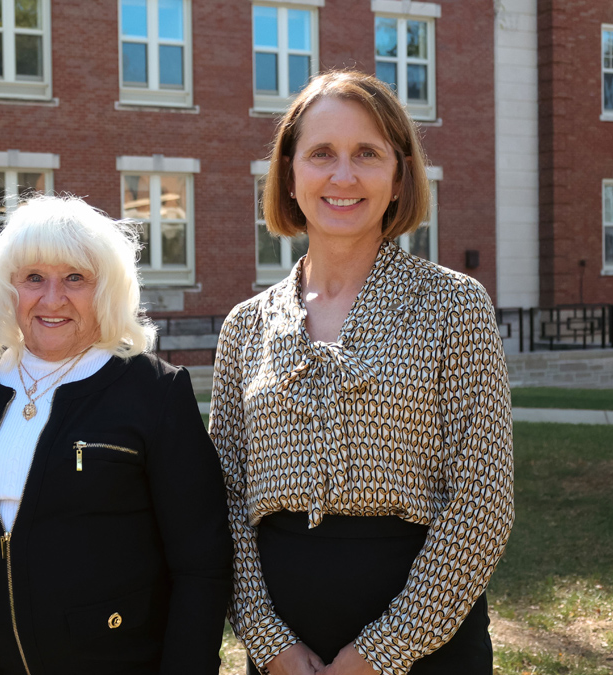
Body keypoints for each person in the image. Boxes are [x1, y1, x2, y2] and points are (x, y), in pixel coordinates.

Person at [211, 70, 513, 675]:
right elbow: (225, 502)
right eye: (322, 153)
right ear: (290, 174)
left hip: (429, 643)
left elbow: (483, 501)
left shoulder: (454, 305)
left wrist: (380, 654)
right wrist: (270, 646)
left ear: (399, 176)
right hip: (284, 651)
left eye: (367, 154)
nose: (343, 176)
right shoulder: (244, 328)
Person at [0, 195, 232, 675]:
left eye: (75, 278)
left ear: (107, 290)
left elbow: (202, 564)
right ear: (7, 287)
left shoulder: (153, 391)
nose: (52, 298)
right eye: (34, 277)